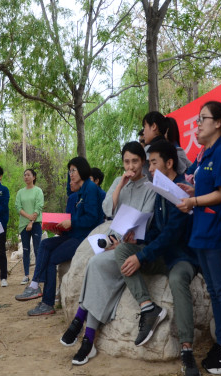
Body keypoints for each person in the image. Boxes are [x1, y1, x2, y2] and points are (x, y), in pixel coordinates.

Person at [60, 141, 155, 366]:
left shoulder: (150, 188)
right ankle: (88, 339)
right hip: (112, 240)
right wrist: (121, 185)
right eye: (126, 162)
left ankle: (81, 320)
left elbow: (147, 221)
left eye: (135, 161)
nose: (130, 166)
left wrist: (122, 241)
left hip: (132, 244)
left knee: (95, 265)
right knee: (96, 264)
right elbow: (107, 210)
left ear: (142, 161)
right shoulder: (118, 182)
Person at [114, 140, 200, 376]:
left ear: (169, 163)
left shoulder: (180, 190)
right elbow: (157, 231)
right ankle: (148, 307)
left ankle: (186, 349)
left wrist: (142, 257)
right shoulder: (160, 189)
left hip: (182, 257)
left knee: (177, 279)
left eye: (153, 163)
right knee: (122, 251)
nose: (149, 168)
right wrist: (139, 239)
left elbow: (171, 235)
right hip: (161, 255)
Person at [177, 102, 221, 374]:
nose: (198, 124)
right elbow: (206, 188)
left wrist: (193, 200)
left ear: (217, 123)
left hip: (215, 228)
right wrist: (191, 191)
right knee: (214, 290)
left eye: (202, 119)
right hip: (201, 229)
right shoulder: (206, 154)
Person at [16, 157, 103, 316]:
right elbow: (77, 218)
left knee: (52, 258)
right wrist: (60, 227)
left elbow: (92, 218)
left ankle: (46, 301)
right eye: (70, 171)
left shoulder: (90, 188)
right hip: (73, 234)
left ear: (83, 169)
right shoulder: (80, 191)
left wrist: (71, 222)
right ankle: (35, 285)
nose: (71, 174)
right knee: (45, 244)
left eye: (74, 170)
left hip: (83, 238)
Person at [15, 168, 44, 286]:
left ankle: (38, 276)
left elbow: (39, 206)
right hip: (24, 225)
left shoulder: (38, 191)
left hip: (36, 224)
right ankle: (26, 275)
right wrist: (28, 218)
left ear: (34, 177)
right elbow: (18, 207)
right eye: (24, 175)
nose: (26, 177)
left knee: (38, 250)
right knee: (25, 250)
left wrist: (31, 221)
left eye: (28, 175)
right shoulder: (20, 192)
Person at [142, 111, 191, 178]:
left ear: (153, 126)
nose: (143, 132)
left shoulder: (147, 151)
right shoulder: (178, 150)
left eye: (144, 127)